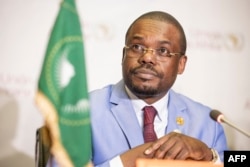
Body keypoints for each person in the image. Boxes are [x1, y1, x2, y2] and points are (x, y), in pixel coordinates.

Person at [51, 11, 228, 167]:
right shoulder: (80, 112)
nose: (147, 57)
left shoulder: (208, 121)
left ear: (181, 64)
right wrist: (124, 163)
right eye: (137, 47)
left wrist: (209, 155)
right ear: (124, 55)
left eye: (163, 51)